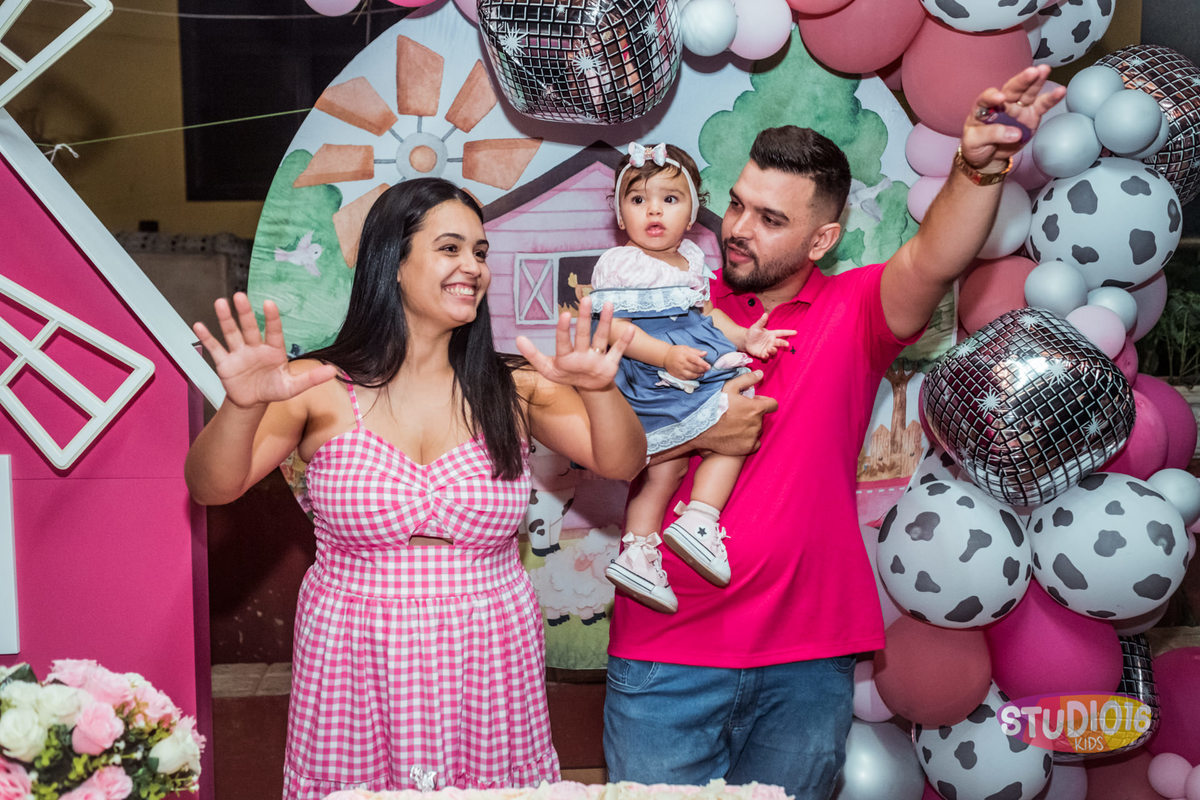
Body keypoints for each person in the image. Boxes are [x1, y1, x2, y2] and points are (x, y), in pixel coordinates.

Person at [602, 67, 1065, 800]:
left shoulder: (854, 309)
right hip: (668, 649)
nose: (738, 229)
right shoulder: (671, 307)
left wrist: (978, 168)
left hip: (807, 658)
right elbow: (604, 444)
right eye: (737, 204)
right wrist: (702, 432)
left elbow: (935, 256)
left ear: (822, 239)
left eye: (771, 219)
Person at [184, 178, 647, 800]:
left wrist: (600, 390)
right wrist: (240, 407)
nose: (472, 267)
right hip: (355, 652)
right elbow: (211, 487)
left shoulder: (513, 387)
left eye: (480, 252)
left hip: (489, 647)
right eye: (450, 248)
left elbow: (622, 461)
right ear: (393, 264)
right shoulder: (317, 384)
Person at [590, 141, 795, 614]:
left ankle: (668, 535)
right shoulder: (619, 263)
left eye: (669, 198)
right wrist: (664, 355)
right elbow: (612, 327)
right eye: (637, 199)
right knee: (724, 427)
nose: (653, 210)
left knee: (675, 465)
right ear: (620, 214)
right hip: (650, 373)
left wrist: (744, 336)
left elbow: (706, 315)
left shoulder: (691, 259)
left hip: (690, 361)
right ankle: (679, 529)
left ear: (692, 213)